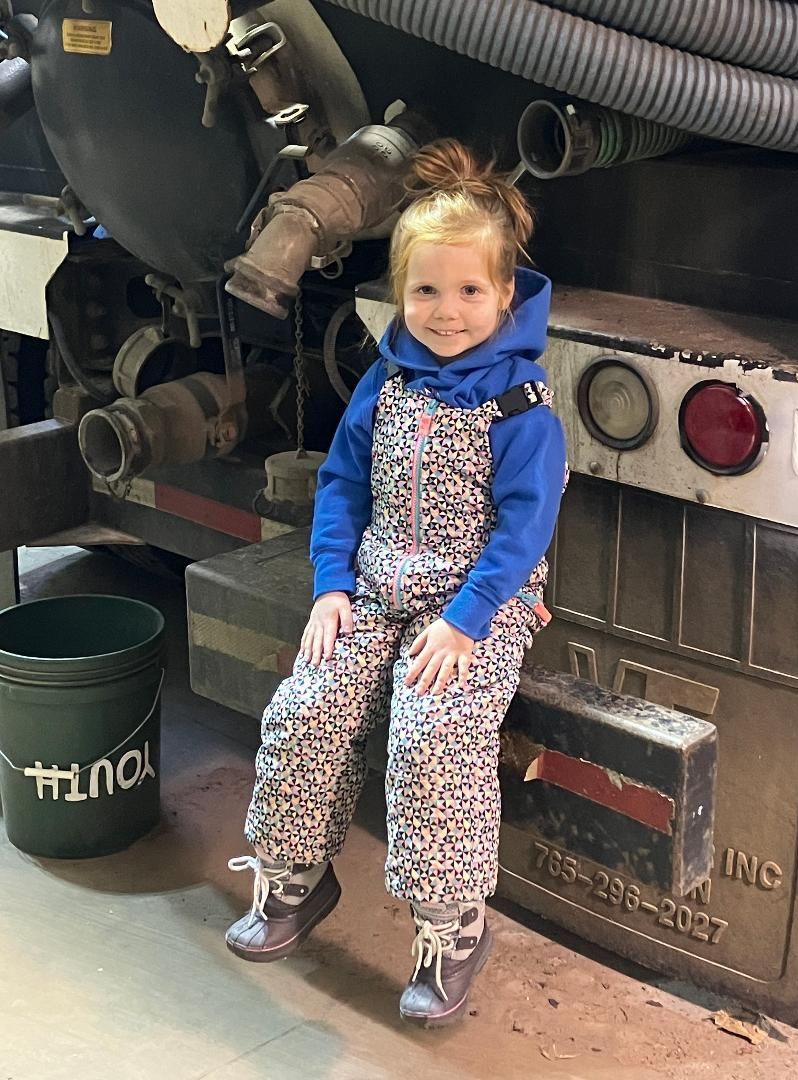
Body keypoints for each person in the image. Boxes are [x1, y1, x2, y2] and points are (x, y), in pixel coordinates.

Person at [225, 138, 567, 1028]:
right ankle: (295, 879)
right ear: (398, 292)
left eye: (468, 292)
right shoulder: (386, 381)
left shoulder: (521, 407)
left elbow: (524, 531)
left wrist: (467, 620)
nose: (446, 312)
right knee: (311, 704)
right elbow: (342, 485)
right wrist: (331, 586)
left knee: (434, 735)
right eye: (425, 290)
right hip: (374, 588)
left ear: (503, 295)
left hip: (475, 606)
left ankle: (452, 928)